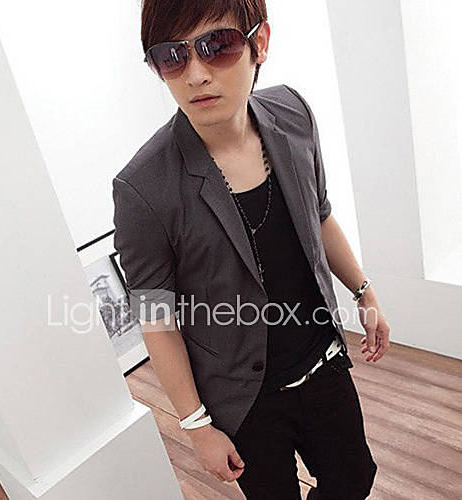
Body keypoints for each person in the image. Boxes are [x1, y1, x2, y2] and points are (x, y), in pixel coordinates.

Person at [112, 1, 391, 498]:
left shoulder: (293, 114)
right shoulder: (143, 187)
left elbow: (319, 213)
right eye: (172, 56)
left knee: (354, 479)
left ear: (259, 42)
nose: (196, 75)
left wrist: (364, 292)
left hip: (321, 360)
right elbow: (157, 319)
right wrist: (196, 425)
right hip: (242, 398)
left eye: (216, 45)